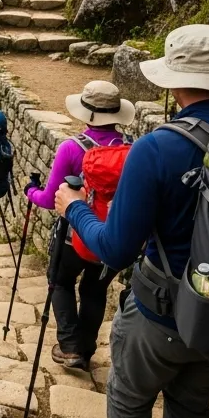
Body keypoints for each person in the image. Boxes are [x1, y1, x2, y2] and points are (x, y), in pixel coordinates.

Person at [54, 24, 209, 418]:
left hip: (163, 313)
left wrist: (74, 208)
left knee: (129, 398)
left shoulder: (158, 149)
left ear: (174, 81)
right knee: (191, 404)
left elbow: (114, 249)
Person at [25, 81, 135, 371]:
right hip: (113, 237)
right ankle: (85, 350)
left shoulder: (72, 149)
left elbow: (50, 199)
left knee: (60, 281)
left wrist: (30, 192)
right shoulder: (133, 151)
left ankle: (70, 347)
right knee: (94, 292)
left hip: (75, 237)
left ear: (86, 114)